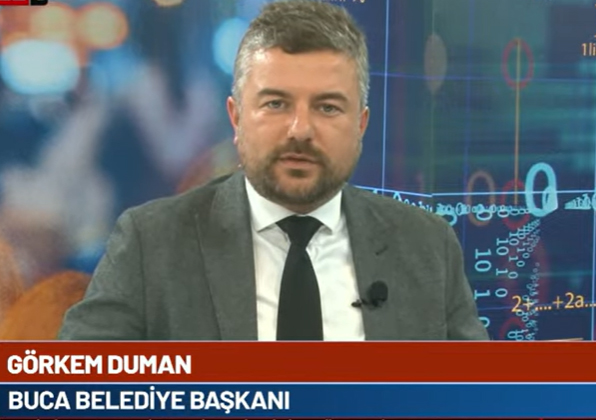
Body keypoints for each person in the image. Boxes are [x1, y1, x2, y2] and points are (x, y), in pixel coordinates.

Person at [58, 0, 488, 341]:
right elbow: (76, 395)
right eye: (276, 104)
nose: (300, 130)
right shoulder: (149, 244)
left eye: (327, 107)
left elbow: (477, 399)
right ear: (236, 118)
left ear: (361, 125)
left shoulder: (427, 246)